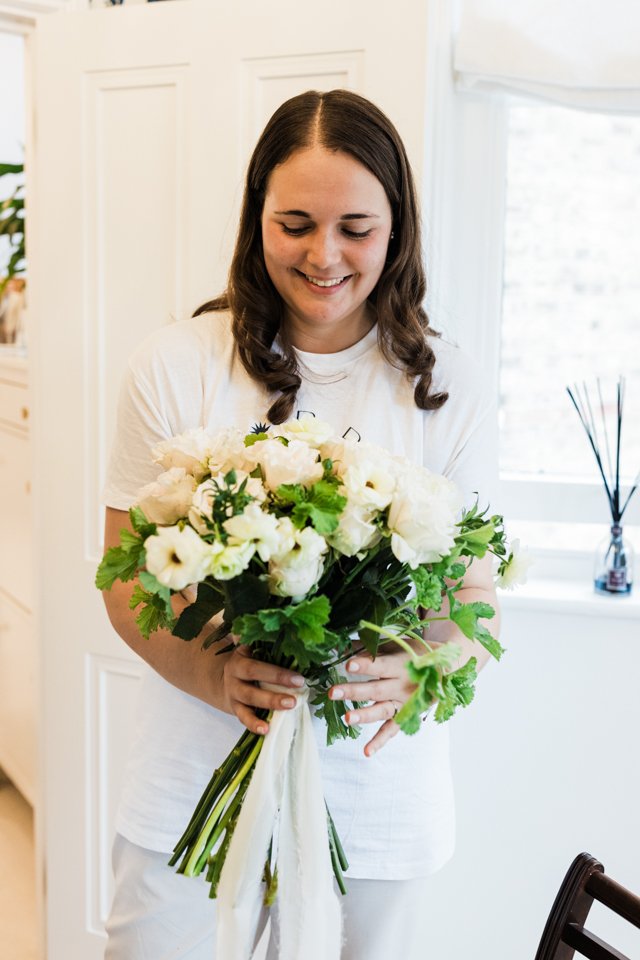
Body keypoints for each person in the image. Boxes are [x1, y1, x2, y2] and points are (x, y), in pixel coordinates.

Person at [101, 88, 500, 960]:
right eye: (295, 223)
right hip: (192, 774)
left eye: (356, 226)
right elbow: (124, 577)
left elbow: (474, 600)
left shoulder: (450, 385)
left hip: (374, 787)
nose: (325, 255)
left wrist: (423, 667)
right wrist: (211, 677)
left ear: (397, 229)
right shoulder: (173, 365)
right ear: (256, 221)